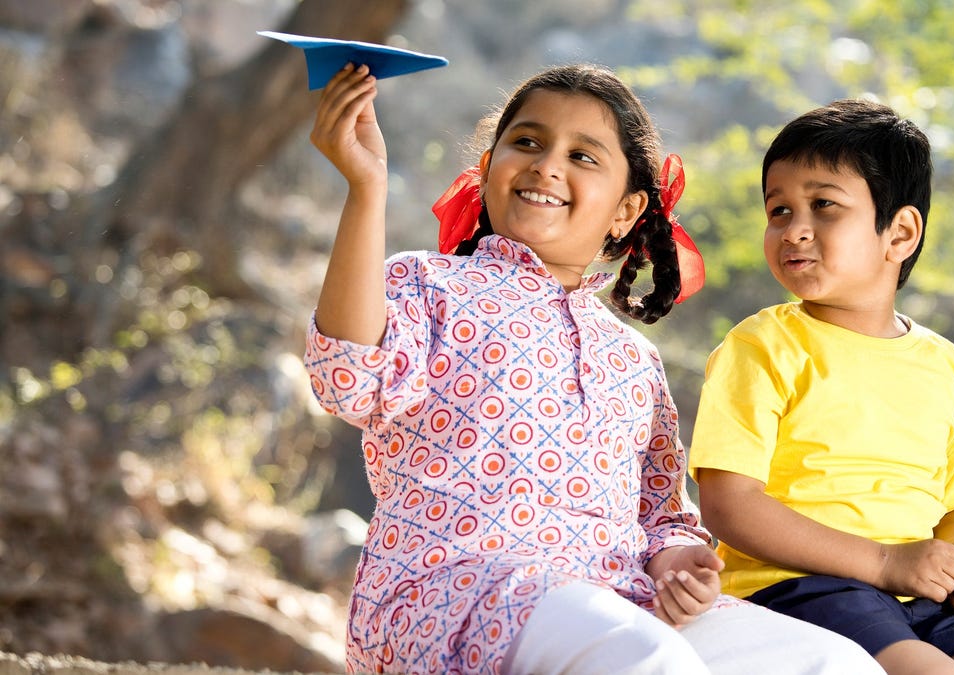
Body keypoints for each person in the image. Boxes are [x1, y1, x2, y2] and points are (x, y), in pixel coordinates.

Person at [304, 62, 882, 675]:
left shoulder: (633, 358)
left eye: (583, 156)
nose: (547, 164)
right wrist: (366, 188)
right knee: (642, 656)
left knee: (832, 661)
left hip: (623, 597)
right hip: (448, 589)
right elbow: (349, 380)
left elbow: (660, 514)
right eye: (526, 142)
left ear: (626, 210)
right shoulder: (426, 283)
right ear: (485, 171)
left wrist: (678, 564)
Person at [687, 99, 954, 675]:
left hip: (924, 598)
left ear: (899, 232)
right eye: (778, 210)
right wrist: (884, 563)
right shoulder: (761, 346)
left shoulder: (947, 365)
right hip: (802, 588)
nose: (793, 230)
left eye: (823, 205)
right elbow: (730, 506)